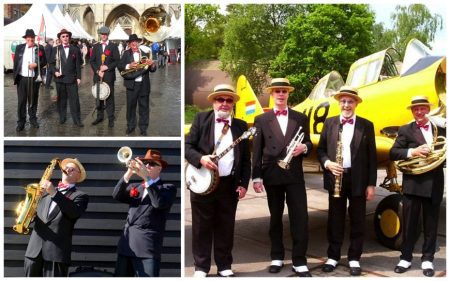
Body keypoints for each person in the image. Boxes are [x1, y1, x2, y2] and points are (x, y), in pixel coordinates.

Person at [185, 84, 251, 277]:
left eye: (229, 100)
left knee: (226, 226)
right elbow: (187, 146)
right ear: (213, 101)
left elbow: (246, 159)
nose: (224, 103)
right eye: (220, 99)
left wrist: (243, 183)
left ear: (233, 104)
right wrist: (201, 159)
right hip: (202, 183)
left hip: (229, 184)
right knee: (200, 227)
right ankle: (201, 267)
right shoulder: (201, 119)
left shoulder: (240, 126)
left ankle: (224, 265)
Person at [252, 78, 312, 277]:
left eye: (284, 91)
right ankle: (276, 256)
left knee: (300, 217)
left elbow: (309, 142)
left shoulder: (301, 118)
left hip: (294, 174)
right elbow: (257, 150)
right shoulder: (261, 120)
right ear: (271, 93)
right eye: (277, 91)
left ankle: (299, 260)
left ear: (288, 94)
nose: (280, 94)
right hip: (272, 174)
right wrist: (256, 177)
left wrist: (305, 147)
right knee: (275, 218)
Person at [316, 86, 377, 276]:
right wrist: (327, 164)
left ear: (356, 103)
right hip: (336, 177)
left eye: (350, 101)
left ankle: (354, 259)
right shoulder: (330, 123)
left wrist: (371, 184)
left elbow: (372, 157)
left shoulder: (367, 125)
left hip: (358, 180)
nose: (346, 104)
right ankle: (333, 257)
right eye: (343, 101)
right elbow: (321, 150)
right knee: (335, 219)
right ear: (339, 102)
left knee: (358, 220)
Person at [390, 96, 445, 277]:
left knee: (431, 224)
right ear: (412, 112)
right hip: (413, 183)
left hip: (434, 183)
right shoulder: (406, 130)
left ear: (427, 109)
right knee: (409, 224)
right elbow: (394, 152)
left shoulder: (442, 129)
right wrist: (413, 151)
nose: (419, 112)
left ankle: (427, 259)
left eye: (422, 108)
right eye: (416, 110)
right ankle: (405, 258)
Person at [113, 149, 177, 277]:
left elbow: (158, 203)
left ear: (160, 169)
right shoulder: (136, 187)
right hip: (127, 245)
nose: (147, 166)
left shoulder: (168, 188)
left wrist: (146, 178)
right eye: (145, 163)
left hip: (147, 247)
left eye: (152, 164)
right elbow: (116, 195)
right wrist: (129, 173)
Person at [24, 158, 89, 276]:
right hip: (34, 252)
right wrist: (28, 213)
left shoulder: (80, 196)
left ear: (78, 176)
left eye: (72, 169)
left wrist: (54, 192)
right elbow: (38, 215)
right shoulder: (44, 193)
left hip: (56, 255)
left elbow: (73, 212)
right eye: (66, 167)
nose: (68, 169)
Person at [118, 34, 157, 136]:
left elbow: (152, 70)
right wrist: (129, 65)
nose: (134, 44)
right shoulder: (126, 54)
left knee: (144, 107)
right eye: (132, 42)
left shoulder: (146, 53)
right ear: (129, 44)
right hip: (131, 85)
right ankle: (130, 127)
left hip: (144, 85)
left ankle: (143, 128)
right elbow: (120, 66)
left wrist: (152, 65)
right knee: (131, 107)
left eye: (136, 42)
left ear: (138, 42)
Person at [13, 29, 47, 132]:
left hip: (34, 78)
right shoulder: (19, 48)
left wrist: (36, 65)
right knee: (22, 101)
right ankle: (21, 122)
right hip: (22, 78)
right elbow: (16, 63)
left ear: (34, 38)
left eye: (32, 37)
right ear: (25, 38)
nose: (30, 39)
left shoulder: (39, 48)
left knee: (33, 100)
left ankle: (33, 120)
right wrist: (16, 77)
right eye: (28, 38)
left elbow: (44, 61)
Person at [49, 29, 84, 127]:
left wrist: (79, 77)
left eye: (67, 36)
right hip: (59, 79)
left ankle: (77, 119)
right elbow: (51, 64)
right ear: (60, 38)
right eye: (63, 36)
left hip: (71, 79)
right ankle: (62, 117)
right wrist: (55, 72)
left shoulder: (75, 49)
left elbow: (78, 64)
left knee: (75, 100)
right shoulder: (55, 49)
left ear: (69, 37)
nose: (65, 38)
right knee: (61, 100)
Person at [89, 26, 120, 128]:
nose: (103, 36)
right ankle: (100, 116)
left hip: (109, 76)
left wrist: (107, 67)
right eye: (102, 34)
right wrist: (98, 71)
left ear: (108, 35)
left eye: (105, 34)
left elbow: (117, 61)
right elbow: (92, 61)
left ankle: (111, 118)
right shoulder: (96, 46)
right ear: (100, 35)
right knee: (99, 97)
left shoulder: (113, 46)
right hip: (98, 76)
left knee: (109, 98)